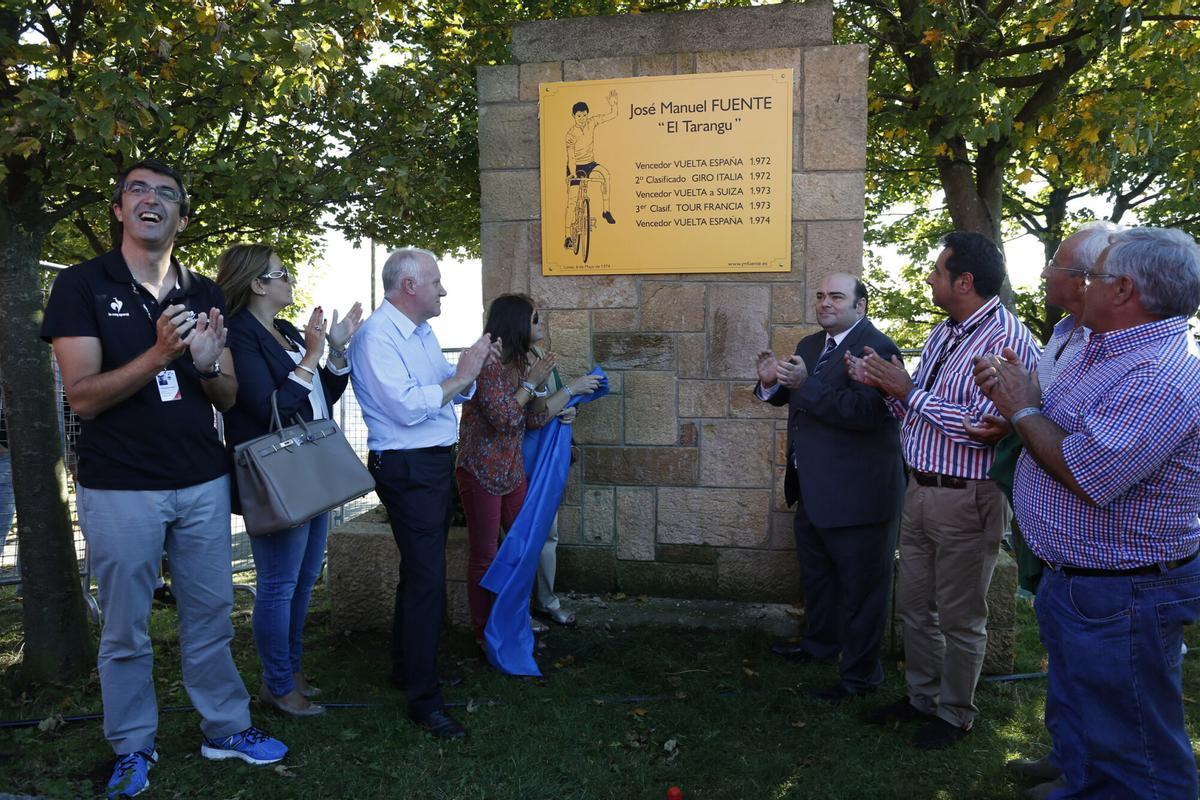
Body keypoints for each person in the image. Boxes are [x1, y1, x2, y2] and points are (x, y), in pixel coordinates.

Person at [40, 159, 286, 799]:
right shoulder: (81, 286)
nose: (152, 201)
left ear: (182, 213)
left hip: (201, 482)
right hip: (120, 487)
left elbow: (228, 395)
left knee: (210, 615)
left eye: (167, 194)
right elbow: (84, 398)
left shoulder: (203, 292)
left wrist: (206, 366)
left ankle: (225, 728)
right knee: (126, 629)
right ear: (119, 209)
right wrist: (160, 355)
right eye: (138, 191)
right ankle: (132, 746)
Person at [977, 227, 1200, 800]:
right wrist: (1021, 398)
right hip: (1080, 579)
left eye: (1094, 276)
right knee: (1091, 711)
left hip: (1122, 593)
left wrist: (1022, 407)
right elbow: (1056, 420)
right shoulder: (1102, 343)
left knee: (1139, 752)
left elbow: (1086, 472)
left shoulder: (1159, 375)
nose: (1082, 285)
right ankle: (1077, 778)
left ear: (1123, 289)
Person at [849, 231, 1039, 749]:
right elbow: (920, 408)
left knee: (960, 616)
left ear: (965, 280)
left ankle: (955, 714)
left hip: (967, 495)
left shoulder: (1007, 342)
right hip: (920, 489)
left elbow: (982, 426)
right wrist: (883, 385)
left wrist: (906, 389)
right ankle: (921, 698)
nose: (929, 278)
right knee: (915, 607)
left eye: (937, 270)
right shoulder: (945, 331)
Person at [963, 222, 1117, 796]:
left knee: (1105, 681)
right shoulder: (1068, 334)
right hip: (1058, 543)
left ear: (1089, 281)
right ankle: (1068, 757)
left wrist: (1022, 409)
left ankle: (1087, 774)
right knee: (1066, 662)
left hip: (1103, 555)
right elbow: (1044, 411)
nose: (1044, 272)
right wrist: (1010, 403)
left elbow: (1085, 453)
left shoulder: (1124, 351)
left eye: (1055, 263)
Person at [348, 247, 498, 739]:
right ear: (408, 286)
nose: (444, 290)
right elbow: (412, 409)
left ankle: (409, 670)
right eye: (436, 281)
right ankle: (423, 699)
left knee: (420, 576)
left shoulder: (420, 331)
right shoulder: (376, 338)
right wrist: (463, 376)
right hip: (408, 469)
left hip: (429, 465)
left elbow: (443, 388)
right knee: (427, 580)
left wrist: (468, 374)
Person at [217, 243, 363, 717]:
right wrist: (312, 354)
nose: (289, 280)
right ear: (257, 283)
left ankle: (292, 670)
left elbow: (319, 393)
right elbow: (269, 408)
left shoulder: (281, 330)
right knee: (279, 584)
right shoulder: (239, 334)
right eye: (281, 273)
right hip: (276, 476)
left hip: (307, 468)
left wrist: (334, 352)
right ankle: (278, 685)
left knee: (302, 582)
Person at [754, 273, 905, 701]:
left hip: (859, 498)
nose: (825, 303)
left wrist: (805, 384)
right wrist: (770, 383)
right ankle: (819, 646)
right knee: (818, 580)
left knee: (862, 592)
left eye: (836, 297)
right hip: (814, 491)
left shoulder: (878, 348)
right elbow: (795, 395)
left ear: (861, 306)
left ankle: (861, 677)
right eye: (820, 296)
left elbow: (866, 412)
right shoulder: (809, 345)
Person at [457, 295, 599, 643]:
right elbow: (505, 418)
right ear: (518, 324)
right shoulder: (487, 362)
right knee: (486, 554)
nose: (541, 326)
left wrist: (565, 403)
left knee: (522, 546)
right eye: (536, 320)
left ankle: (515, 617)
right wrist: (532, 383)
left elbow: (532, 417)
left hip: (511, 470)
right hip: (480, 471)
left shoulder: (523, 361)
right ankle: (484, 630)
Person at [528, 311, 583, 628]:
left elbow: (553, 401)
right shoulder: (510, 361)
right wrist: (572, 390)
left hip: (548, 458)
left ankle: (547, 602)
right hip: (522, 460)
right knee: (518, 535)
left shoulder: (539, 354)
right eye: (535, 319)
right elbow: (527, 412)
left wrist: (569, 409)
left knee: (549, 534)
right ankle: (519, 609)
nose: (541, 323)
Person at [564, 90, 618, 248]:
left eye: (584, 115)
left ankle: (606, 211)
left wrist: (614, 105)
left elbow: (611, 116)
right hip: (575, 167)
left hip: (590, 164)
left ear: (588, 114)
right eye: (579, 116)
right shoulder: (570, 135)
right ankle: (568, 236)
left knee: (606, 174)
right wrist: (573, 173)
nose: (582, 118)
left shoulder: (592, 122)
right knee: (572, 202)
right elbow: (571, 156)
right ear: (574, 116)